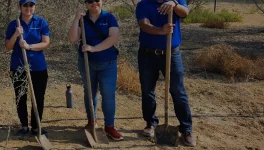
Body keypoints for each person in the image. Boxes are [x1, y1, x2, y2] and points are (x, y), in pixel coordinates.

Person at [135, 0, 195, 146]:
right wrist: (161, 30)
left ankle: (186, 129)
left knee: (177, 90)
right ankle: (150, 123)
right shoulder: (144, 4)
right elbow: (144, 25)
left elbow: (185, 13)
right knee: (147, 89)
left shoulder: (176, 1)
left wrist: (175, 5)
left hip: (172, 54)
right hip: (147, 54)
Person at [66, 0, 123, 141]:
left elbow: (114, 37)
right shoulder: (83, 20)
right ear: (86, 3)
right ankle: (92, 121)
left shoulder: (109, 17)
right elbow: (73, 38)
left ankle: (109, 126)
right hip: (87, 63)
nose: (94, 3)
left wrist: (93, 48)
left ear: (101, 1)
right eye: (90, 1)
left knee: (108, 95)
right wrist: (76, 19)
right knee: (90, 92)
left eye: (96, 0)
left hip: (107, 63)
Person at [5, 0, 51, 137]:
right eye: (25, 5)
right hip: (18, 67)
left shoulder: (41, 22)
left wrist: (29, 46)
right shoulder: (14, 24)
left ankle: (36, 127)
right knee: (21, 97)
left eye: (31, 5)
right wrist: (16, 35)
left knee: (38, 98)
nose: (28, 8)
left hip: (38, 67)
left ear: (34, 6)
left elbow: (46, 43)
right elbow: (8, 47)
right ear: (20, 7)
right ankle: (24, 126)